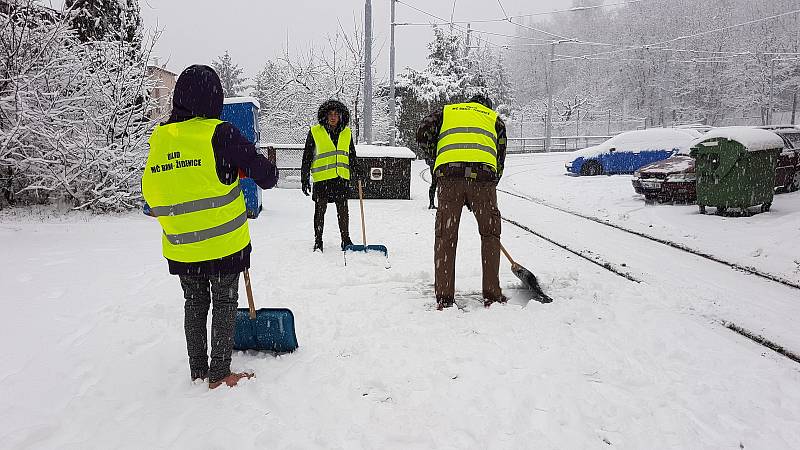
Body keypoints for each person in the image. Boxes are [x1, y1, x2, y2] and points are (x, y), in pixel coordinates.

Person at [141, 65, 278, 389]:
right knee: (224, 303)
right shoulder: (220, 133)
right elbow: (267, 177)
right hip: (222, 245)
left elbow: (152, 191)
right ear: (214, 98)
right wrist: (239, 170)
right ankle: (219, 373)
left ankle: (198, 370)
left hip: (181, 246)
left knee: (195, 303)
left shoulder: (160, 137)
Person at [416, 94, 508, 310]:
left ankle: (445, 297)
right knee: (490, 234)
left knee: (445, 236)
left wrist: (435, 158)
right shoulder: (494, 119)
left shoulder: (448, 112)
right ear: (486, 107)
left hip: (450, 177)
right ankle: (492, 294)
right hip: (483, 179)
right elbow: (500, 158)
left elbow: (422, 132)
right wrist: (487, 185)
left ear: (468, 104)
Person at [300, 100, 359, 252]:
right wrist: (304, 177)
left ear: (340, 116)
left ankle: (345, 240)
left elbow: (351, 154)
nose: (333, 117)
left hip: (341, 177)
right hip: (322, 179)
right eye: (330, 114)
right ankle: (318, 240)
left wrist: (357, 169)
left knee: (343, 211)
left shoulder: (347, 132)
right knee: (320, 211)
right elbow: (307, 156)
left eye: (336, 114)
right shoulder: (315, 131)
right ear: (325, 116)